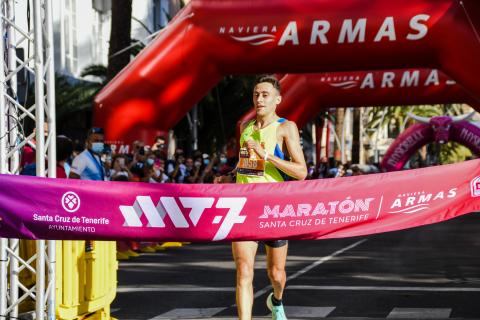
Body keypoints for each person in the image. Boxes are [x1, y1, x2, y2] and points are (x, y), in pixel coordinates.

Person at [215, 75, 307, 320]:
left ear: (277, 99)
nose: (259, 99)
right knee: (243, 271)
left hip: (273, 209)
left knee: (276, 274)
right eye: (256, 94)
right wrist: (229, 176)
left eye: (265, 95)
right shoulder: (246, 129)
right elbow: (247, 167)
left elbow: (301, 172)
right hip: (245, 208)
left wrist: (269, 156)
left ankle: (276, 300)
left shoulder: (286, 127)